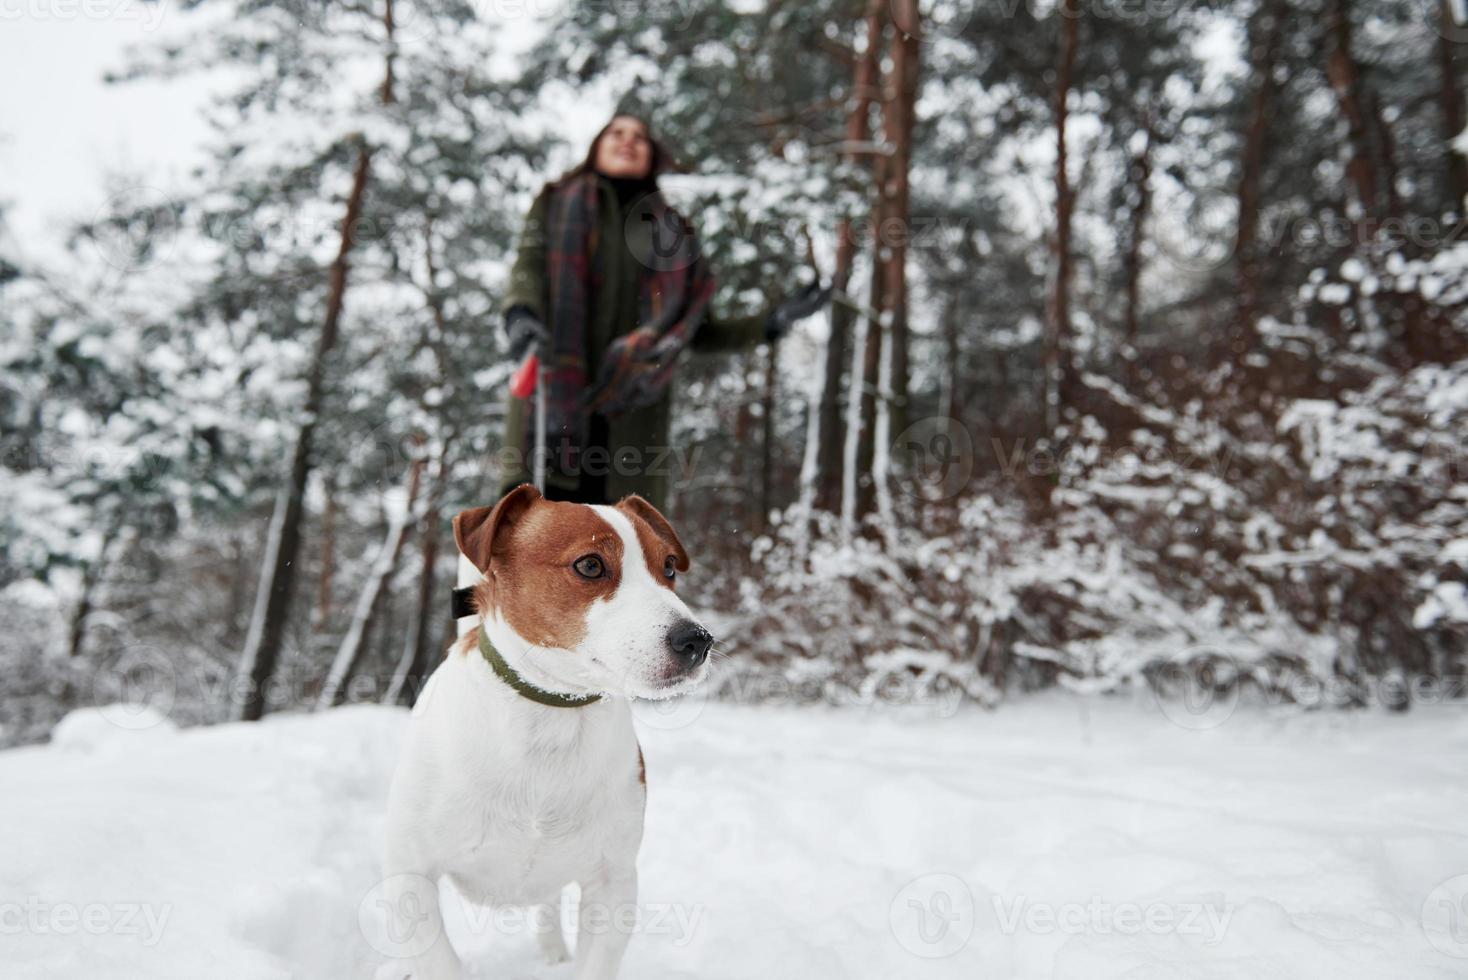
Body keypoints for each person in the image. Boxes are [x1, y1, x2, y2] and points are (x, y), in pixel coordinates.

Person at [498, 112, 830, 510]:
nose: (629, 141)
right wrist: (520, 315)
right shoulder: (554, 203)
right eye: (616, 133)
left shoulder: (674, 233)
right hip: (554, 395)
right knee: (533, 541)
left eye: (640, 137)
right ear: (596, 147)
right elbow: (529, 264)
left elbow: (699, 331)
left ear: (653, 156)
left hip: (631, 415)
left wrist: (774, 322)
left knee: (616, 552)